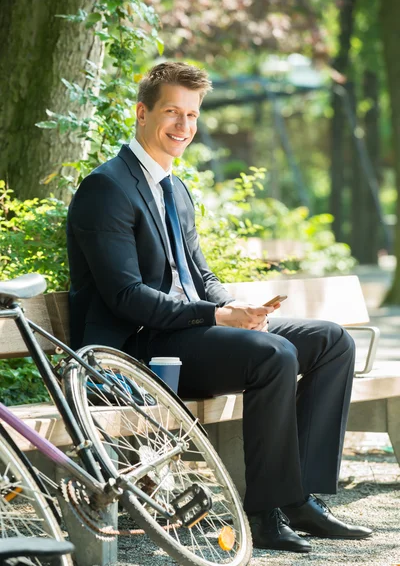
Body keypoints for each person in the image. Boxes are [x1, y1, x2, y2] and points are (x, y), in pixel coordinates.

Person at [67, 61, 372, 553]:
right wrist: (216, 317)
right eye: (172, 112)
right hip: (138, 350)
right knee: (272, 356)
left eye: (192, 115)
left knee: (331, 341)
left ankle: (301, 499)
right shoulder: (107, 189)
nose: (184, 127)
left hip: (188, 334)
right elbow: (125, 296)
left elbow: (199, 277)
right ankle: (266, 515)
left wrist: (237, 305)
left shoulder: (175, 188)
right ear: (142, 113)